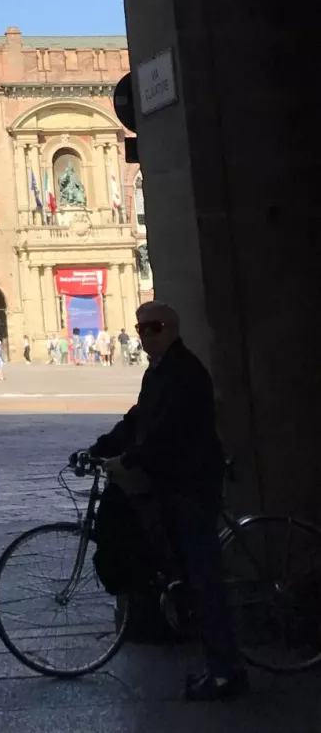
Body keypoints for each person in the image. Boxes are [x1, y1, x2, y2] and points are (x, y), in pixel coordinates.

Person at [88, 301, 246, 702]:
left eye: (154, 327)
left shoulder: (186, 372)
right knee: (186, 568)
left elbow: (167, 432)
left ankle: (226, 672)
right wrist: (102, 446)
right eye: (141, 329)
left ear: (173, 328)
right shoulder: (157, 372)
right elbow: (139, 420)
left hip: (192, 483)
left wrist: (129, 459)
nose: (146, 335)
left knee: (204, 578)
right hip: (172, 481)